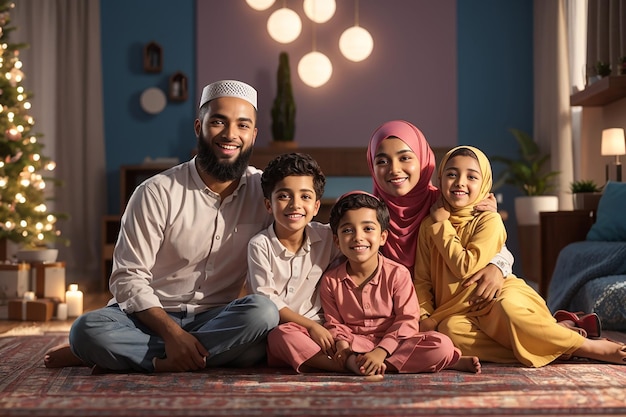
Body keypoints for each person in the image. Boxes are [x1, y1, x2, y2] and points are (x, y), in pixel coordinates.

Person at [44, 80, 279, 373]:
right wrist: (172, 334)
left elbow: (304, 240)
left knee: (264, 314)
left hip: (217, 317)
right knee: (86, 330)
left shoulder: (265, 193)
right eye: (218, 122)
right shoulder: (156, 191)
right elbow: (127, 278)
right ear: (199, 127)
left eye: (243, 126)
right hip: (145, 318)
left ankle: (141, 359)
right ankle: (195, 353)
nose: (231, 134)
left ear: (254, 135)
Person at [413, 145, 626, 366]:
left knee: (509, 311)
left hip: (496, 297)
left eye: (472, 176)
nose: (460, 182)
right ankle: (560, 344)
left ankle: (589, 347)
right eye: (451, 174)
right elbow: (422, 279)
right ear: (440, 179)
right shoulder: (428, 226)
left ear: (484, 183)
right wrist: (425, 316)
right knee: (450, 332)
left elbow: (465, 267)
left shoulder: (488, 220)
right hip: (460, 312)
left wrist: (442, 226)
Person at [320, 191, 481, 378]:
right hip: (356, 345)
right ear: (337, 241)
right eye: (348, 230)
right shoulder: (330, 281)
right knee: (313, 344)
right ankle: (442, 363)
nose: (358, 237)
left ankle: (370, 365)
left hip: (397, 343)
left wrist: (381, 352)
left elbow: (407, 320)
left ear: (383, 237)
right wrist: (343, 347)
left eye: (368, 229)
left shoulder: (398, 274)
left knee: (440, 344)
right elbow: (334, 324)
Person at [366, 120, 513, 306]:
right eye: (382, 161)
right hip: (387, 307)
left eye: (405, 158)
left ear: (422, 159)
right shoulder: (368, 214)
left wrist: (498, 267)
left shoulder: (445, 204)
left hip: (446, 304)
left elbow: (494, 243)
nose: (394, 169)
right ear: (372, 165)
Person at [247, 152, 344, 373]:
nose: (295, 205)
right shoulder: (259, 245)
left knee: (348, 335)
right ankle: (338, 365)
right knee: (281, 338)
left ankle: (342, 354)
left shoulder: (329, 237)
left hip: (325, 327)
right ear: (268, 205)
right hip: (286, 330)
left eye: (305, 197)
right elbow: (267, 300)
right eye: (284, 196)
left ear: (317, 206)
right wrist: (309, 327)